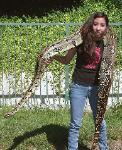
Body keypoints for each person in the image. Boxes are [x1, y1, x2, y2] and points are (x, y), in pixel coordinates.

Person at [50, 12, 114, 150]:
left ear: (106, 27)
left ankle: (104, 148)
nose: (98, 28)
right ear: (91, 25)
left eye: (102, 25)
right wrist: (53, 56)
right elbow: (67, 60)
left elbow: (109, 69)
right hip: (78, 86)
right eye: (95, 24)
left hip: (97, 88)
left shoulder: (108, 44)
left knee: (100, 122)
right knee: (75, 123)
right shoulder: (79, 40)